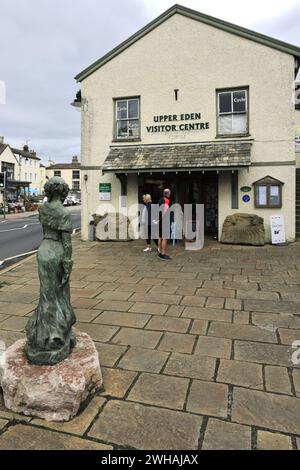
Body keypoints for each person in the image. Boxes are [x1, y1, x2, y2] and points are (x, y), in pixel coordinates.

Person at [25, 176, 76, 365]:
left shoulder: (42, 208)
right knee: (59, 294)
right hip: (57, 252)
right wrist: (68, 263)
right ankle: (55, 336)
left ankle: (39, 336)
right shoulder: (63, 213)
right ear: (62, 192)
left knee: (46, 295)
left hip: (43, 250)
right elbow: (67, 243)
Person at [157, 188, 172, 261]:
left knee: (160, 237)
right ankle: (163, 254)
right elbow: (165, 211)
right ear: (168, 193)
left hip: (160, 221)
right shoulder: (166, 200)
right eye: (170, 193)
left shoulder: (160, 200)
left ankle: (159, 252)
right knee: (165, 238)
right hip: (164, 221)